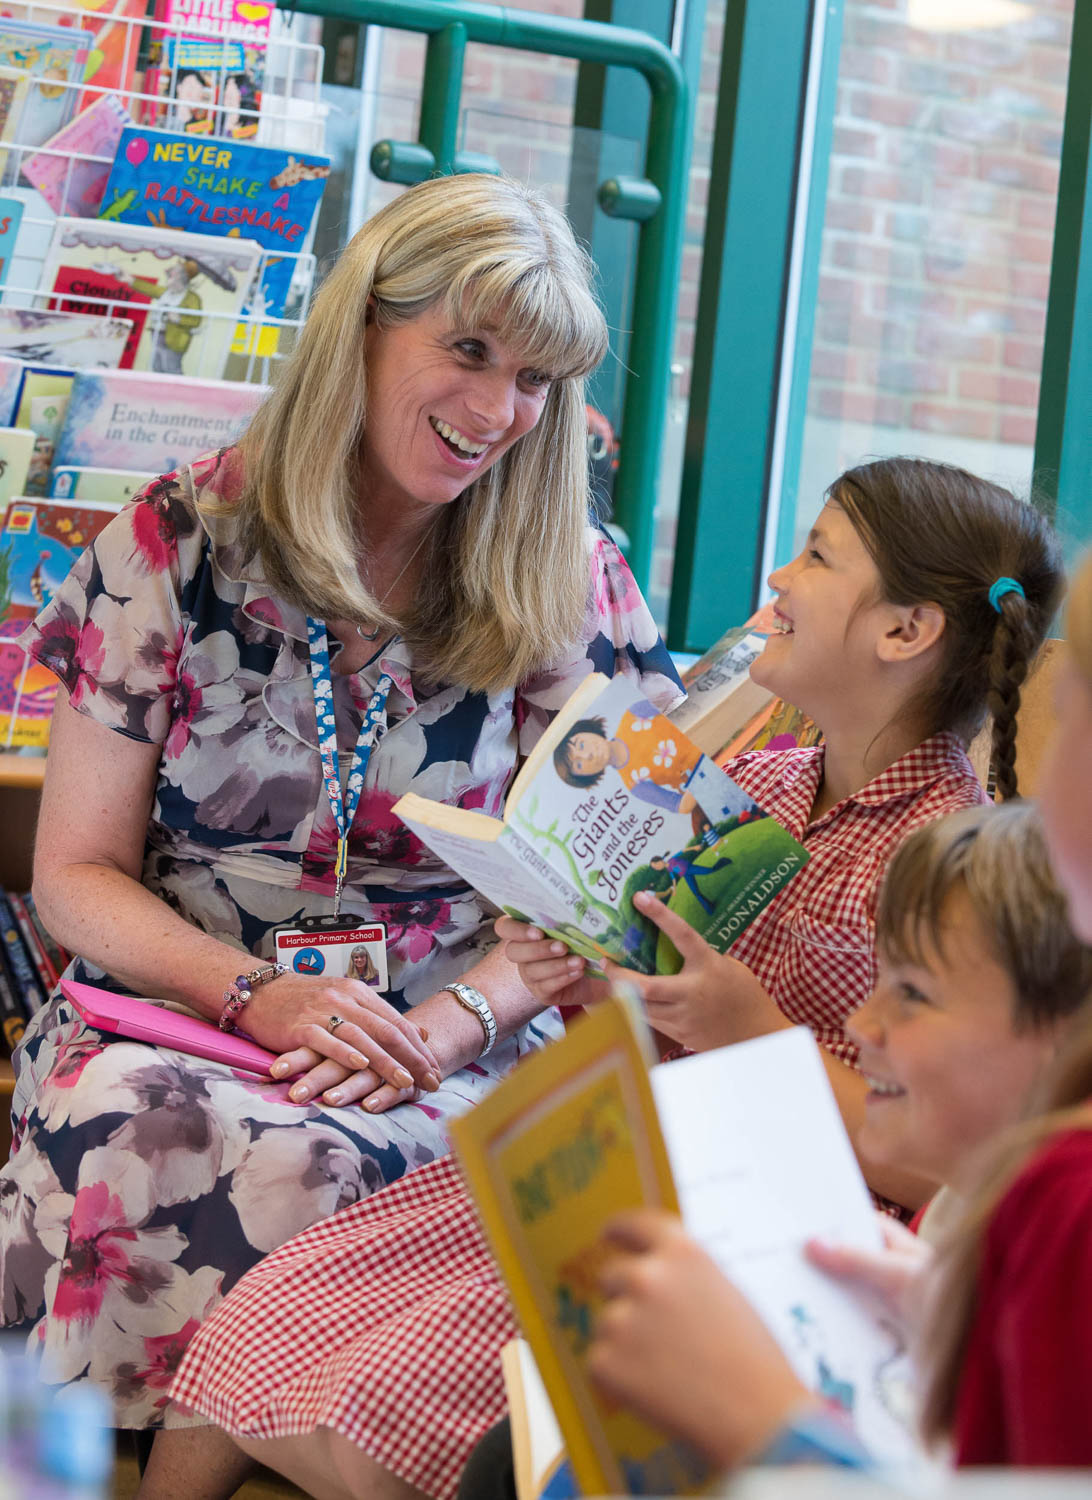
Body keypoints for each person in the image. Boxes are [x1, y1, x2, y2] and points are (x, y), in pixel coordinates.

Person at [167, 457, 1062, 1500]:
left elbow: (949, 1164)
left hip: (761, 1214)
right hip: (629, 1152)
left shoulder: (943, 861)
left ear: (905, 632)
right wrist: (586, 976)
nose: (777, 576)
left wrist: (750, 1033)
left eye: (817, 555)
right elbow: (656, 1010)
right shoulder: (744, 790)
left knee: (385, 1413)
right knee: (254, 1321)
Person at [0, 173, 684, 1488]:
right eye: (469, 349)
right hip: (183, 996)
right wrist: (255, 998)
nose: (499, 410)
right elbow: (73, 876)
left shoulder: (568, 572)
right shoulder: (172, 542)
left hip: (456, 1031)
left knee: (320, 1159)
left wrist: (443, 1030)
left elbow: (604, 889)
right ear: (362, 325)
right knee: (130, 1127)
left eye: (535, 376)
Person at [585, 548, 1092, 1476]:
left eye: (1076, 716)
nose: (776, 575)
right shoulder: (767, 787)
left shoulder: (1066, 1192)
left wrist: (773, 1427)